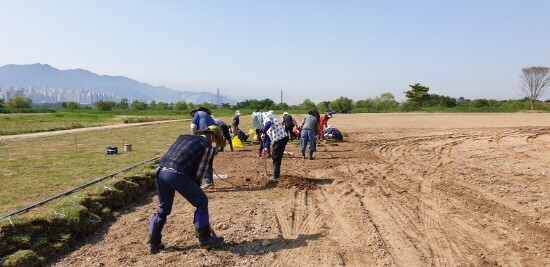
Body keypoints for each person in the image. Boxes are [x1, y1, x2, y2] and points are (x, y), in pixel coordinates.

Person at [147, 125, 225, 254]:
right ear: (212, 136)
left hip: (160, 171)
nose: (214, 143)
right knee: (201, 201)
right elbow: (200, 171)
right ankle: (205, 238)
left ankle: (153, 242)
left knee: (163, 208)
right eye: (215, 140)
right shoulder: (207, 146)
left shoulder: (184, 137)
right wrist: (196, 190)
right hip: (175, 174)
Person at [261, 111, 289, 181]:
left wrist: (263, 133)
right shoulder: (271, 117)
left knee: (276, 157)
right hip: (281, 138)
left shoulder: (266, 116)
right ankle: (276, 174)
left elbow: (268, 124)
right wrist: (266, 148)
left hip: (280, 139)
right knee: (275, 156)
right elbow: (269, 137)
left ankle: (275, 176)